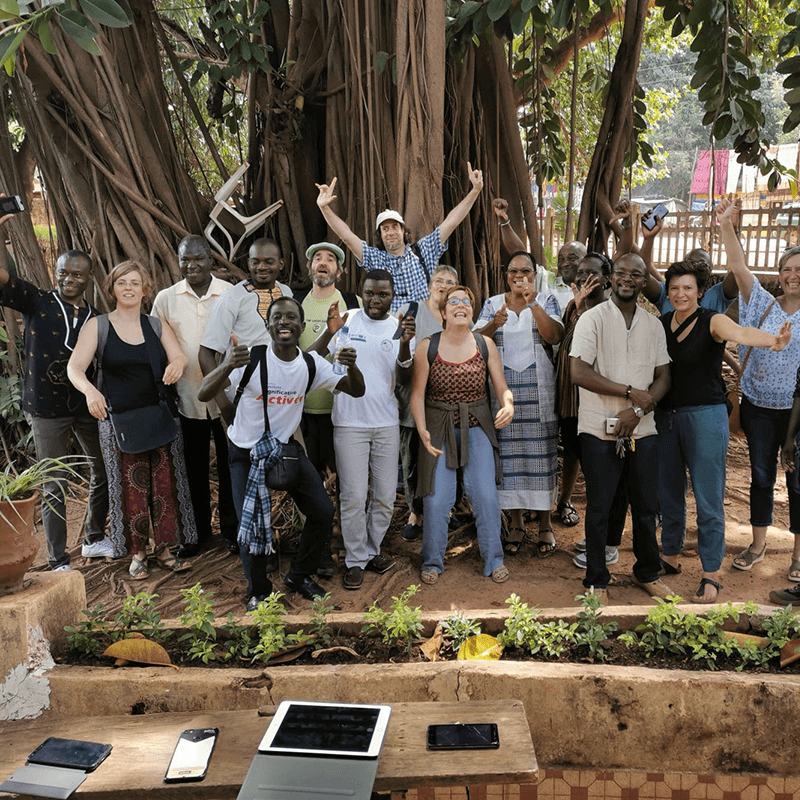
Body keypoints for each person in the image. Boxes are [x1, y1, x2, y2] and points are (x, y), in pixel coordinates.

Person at [198, 297, 365, 608]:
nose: (284, 322)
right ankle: (258, 592)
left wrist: (353, 366)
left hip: (284, 448)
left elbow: (356, 390)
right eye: (277, 317)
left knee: (322, 511)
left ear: (301, 327)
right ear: (268, 325)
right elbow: (204, 392)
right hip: (244, 453)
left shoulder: (310, 364)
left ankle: (299, 575)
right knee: (250, 525)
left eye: (291, 317)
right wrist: (226, 365)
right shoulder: (252, 359)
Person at [656, 258, 791, 603]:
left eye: (688, 288)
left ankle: (710, 573)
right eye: (674, 288)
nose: (680, 294)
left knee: (707, 497)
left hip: (706, 416)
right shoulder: (661, 323)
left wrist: (771, 341)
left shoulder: (712, 320)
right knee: (669, 492)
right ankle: (669, 555)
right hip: (666, 418)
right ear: (667, 293)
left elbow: (741, 333)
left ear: (700, 291)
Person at [68, 261, 195, 579]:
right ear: (112, 289)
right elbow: (75, 368)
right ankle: (138, 553)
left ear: (145, 289)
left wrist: (178, 364)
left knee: (164, 488)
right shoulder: (98, 326)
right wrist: (90, 392)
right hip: (118, 421)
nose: (129, 287)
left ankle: (165, 550)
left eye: (135, 282)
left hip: (158, 416)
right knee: (131, 490)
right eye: (122, 282)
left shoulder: (155, 325)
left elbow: (179, 354)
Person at [0, 237, 113, 571]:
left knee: (102, 471)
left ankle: (93, 539)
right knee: (53, 482)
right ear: (56, 272)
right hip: (46, 409)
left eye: (78, 275)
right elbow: (3, 279)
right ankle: (58, 559)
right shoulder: (38, 301)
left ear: (89, 278)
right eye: (63, 272)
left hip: (86, 407)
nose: (69, 279)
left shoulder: (96, 318)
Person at [570, 253, 672, 603]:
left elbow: (663, 377)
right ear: (612, 278)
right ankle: (596, 580)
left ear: (645, 283)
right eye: (622, 273)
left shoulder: (653, 324)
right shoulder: (592, 319)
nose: (628, 279)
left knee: (645, 507)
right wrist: (629, 394)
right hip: (598, 428)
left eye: (637, 275)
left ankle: (648, 572)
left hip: (643, 431)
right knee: (600, 507)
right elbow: (578, 372)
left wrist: (639, 409)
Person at [308, 270, 414, 589]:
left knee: (383, 496)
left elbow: (405, 378)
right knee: (353, 496)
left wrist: (406, 344)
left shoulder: (398, 327)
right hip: (349, 423)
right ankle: (355, 559)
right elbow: (312, 357)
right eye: (369, 293)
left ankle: (370, 551)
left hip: (386, 422)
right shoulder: (348, 319)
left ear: (392, 295)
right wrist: (330, 334)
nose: (375, 300)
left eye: (382, 294)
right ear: (361, 292)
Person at [717, 196, 800, 578]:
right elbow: (737, 264)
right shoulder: (762, 303)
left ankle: (798, 557)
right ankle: (758, 545)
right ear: (779, 273)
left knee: (798, 482)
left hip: (798, 411)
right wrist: (727, 225)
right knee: (762, 475)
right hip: (759, 407)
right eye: (787, 269)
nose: (793, 275)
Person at [411, 285, 514, 584]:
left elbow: (501, 387)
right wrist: (422, 430)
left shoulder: (484, 345)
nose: (461, 305)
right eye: (453, 301)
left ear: (472, 311)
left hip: (477, 426)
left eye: (466, 302)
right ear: (443, 312)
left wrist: (508, 404)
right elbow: (417, 395)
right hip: (438, 427)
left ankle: (494, 559)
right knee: (436, 499)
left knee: (485, 495)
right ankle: (432, 560)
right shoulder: (426, 346)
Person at [151, 235, 238, 556]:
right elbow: (159, 347)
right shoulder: (166, 299)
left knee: (232, 466)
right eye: (185, 260)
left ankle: (232, 532)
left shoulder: (229, 294)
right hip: (186, 397)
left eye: (198, 259)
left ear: (211, 260)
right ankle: (197, 534)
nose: (192, 266)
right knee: (192, 469)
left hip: (226, 398)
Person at [476, 252, 563, 556]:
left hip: (539, 395)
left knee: (542, 457)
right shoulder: (492, 304)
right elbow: (474, 341)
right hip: (504, 396)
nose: (519, 276)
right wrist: (493, 324)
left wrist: (533, 302)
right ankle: (516, 525)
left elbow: (554, 336)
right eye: (514, 271)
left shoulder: (547, 299)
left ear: (534, 274)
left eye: (525, 271)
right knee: (509, 460)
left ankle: (545, 526)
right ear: (506, 274)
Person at [315, 163, 483, 312]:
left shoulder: (424, 251)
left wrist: (475, 191)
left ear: (404, 230)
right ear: (380, 235)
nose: (391, 232)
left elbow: (451, 222)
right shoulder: (375, 258)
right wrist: (325, 209)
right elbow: (347, 236)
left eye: (395, 227)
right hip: (392, 332)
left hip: (424, 328)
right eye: (385, 229)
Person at [554, 252, 627, 568]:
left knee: (608, 477)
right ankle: (599, 536)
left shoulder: (616, 311)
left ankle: (609, 544)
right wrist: (580, 306)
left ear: (608, 279)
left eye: (592, 274)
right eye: (580, 273)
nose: (584, 279)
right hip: (572, 406)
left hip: (601, 408)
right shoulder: (575, 305)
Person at [396, 265, 459, 541]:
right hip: (413, 395)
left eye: (450, 282)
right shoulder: (412, 310)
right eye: (439, 280)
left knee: (444, 455)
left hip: (446, 398)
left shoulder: (455, 315)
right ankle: (415, 512)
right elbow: (397, 349)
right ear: (430, 284)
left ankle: (444, 509)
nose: (443, 285)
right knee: (411, 456)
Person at [198, 237, 292, 391]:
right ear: (249, 263)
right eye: (255, 262)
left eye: (269, 261)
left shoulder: (286, 293)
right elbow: (206, 352)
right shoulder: (232, 297)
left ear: (280, 264)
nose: (261, 267)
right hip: (243, 391)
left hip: (282, 390)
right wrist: (223, 404)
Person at [492, 198, 585, 315]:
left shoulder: (594, 288)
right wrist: (504, 221)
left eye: (572, 258)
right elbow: (519, 253)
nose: (565, 263)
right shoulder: (547, 281)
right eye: (561, 259)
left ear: (585, 260)